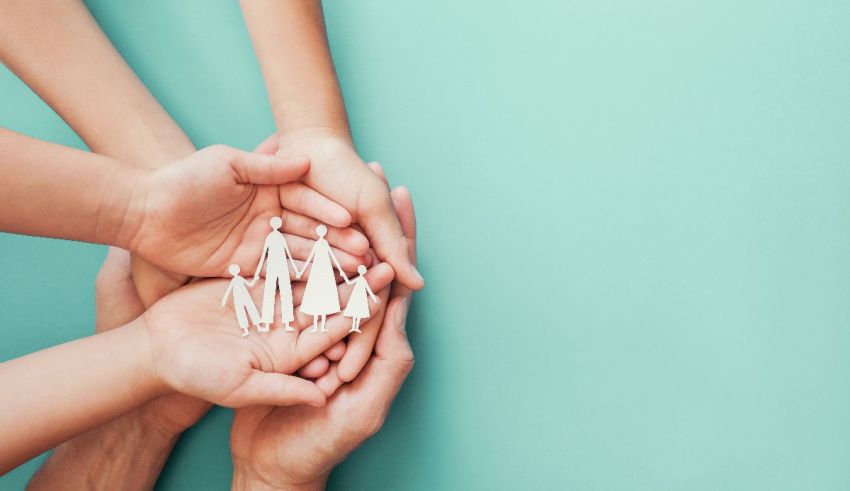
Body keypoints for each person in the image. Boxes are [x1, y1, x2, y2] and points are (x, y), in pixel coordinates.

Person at [298, 224, 350, 333]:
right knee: (316, 296)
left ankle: (322, 326)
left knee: (324, 296)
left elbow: (332, 256)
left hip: (325, 270)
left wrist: (340, 269)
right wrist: (301, 271)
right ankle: (317, 326)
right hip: (318, 270)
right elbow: (310, 257)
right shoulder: (318, 244)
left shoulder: (325, 243)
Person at [253, 217, 299, 332]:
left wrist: (295, 268)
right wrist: (258, 271)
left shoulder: (280, 237)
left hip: (282, 265)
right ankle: (267, 324)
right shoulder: (271, 237)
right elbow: (264, 253)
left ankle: (287, 323)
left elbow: (288, 252)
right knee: (270, 292)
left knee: (286, 293)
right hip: (273, 266)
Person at [222, 264, 261, 337]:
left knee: (251, 309)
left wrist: (255, 279)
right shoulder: (233, 280)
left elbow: (250, 284)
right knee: (241, 313)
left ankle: (259, 327)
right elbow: (228, 290)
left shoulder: (240, 278)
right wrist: (224, 299)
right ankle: (246, 330)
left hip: (245, 295)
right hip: (238, 298)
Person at [344, 265, 380, 333]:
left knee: (359, 312)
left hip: (361, 296)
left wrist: (373, 297)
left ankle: (356, 327)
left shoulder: (363, 280)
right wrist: (344, 276)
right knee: (355, 311)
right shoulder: (358, 279)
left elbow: (368, 289)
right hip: (356, 295)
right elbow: (349, 283)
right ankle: (353, 327)